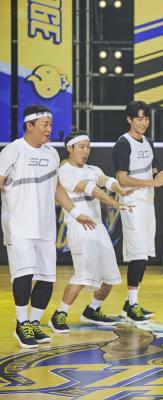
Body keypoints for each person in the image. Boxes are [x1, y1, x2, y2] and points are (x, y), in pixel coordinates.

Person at [0, 105, 96, 348]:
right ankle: (21, 324)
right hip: (19, 225)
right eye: (44, 125)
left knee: (46, 279)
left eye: (50, 125)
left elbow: (57, 188)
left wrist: (76, 213)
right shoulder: (13, 151)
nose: (49, 129)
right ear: (29, 125)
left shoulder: (52, 154)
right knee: (24, 275)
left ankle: (33, 322)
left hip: (45, 227)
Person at [48, 131, 135, 333]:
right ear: (70, 148)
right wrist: (114, 202)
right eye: (81, 147)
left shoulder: (92, 169)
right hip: (79, 227)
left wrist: (121, 189)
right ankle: (59, 315)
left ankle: (92, 310)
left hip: (97, 227)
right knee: (83, 274)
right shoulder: (64, 171)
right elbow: (91, 189)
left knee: (111, 275)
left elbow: (105, 180)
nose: (86, 151)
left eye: (88, 146)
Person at [112, 100, 163, 324]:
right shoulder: (123, 143)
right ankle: (132, 306)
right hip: (132, 203)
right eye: (139, 118)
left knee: (145, 254)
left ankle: (130, 303)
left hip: (147, 203)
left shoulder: (148, 142)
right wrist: (153, 183)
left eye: (146, 118)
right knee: (137, 254)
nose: (144, 122)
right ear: (129, 119)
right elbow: (122, 178)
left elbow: (155, 170)